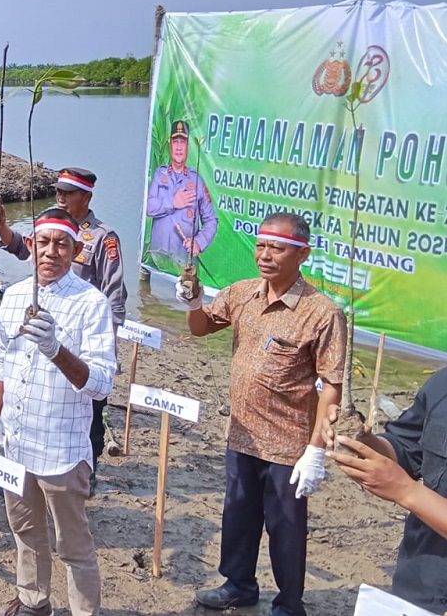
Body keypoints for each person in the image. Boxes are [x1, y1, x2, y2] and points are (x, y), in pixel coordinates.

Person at [179, 212, 345, 616]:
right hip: (242, 434)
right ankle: (238, 585)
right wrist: (194, 301)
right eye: (262, 246)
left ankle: (289, 604)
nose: (265, 255)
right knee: (238, 514)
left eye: (277, 248)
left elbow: (333, 385)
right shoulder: (242, 294)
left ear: (302, 254)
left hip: (290, 445)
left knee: (286, 528)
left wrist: (317, 450)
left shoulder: (322, 313)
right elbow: (200, 329)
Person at [0, 208, 116, 616]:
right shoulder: (14, 295)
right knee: (24, 531)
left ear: (76, 250)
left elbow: (101, 383)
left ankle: (83, 611)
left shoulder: (91, 303)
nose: (51, 252)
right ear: (31, 245)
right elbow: (4, 359)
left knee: (72, 544)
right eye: (44, 242)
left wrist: (56, 350)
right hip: (16, 442)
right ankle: (33, 601)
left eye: (62, 244)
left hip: (61, 449)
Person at [0, 168, 127, 492]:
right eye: (58, 192)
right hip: (41, 332)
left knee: (90, 411)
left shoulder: (101, 237)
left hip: (83, 337)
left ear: (87, 197)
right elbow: (25, 252)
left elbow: (114, 296)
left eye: (68, 193)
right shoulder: (51, 228)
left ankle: (86, 470)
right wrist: (2, 227)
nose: (60, 198)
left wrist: (107, 347)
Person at [325, 369, 447, 613]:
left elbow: (403, 484)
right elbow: (405, 450)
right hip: (418, 587)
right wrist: (361, 442)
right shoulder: (442, 385)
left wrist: (405, 490)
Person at [146, 120, 218, 266]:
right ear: (170, 146)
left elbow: (211, 220)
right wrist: (172, 203)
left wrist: (199, 242)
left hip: (183, 265)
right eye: (175, 141)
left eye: (183, 142)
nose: (179, 147)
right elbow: (147, 207)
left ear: (188, 147)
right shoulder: (160, 174)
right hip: (155, 262)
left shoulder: (197, 181)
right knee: (148, 289)